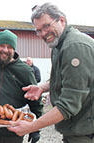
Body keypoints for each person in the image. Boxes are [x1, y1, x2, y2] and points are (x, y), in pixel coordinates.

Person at [8, 2, 94, 143]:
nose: (43, 33)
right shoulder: (57, 45)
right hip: (74, 132)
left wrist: (31, 127)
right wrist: (41, 88)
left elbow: (68, 105)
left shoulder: (75, 47)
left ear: (61, 20)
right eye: (39, 30)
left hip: (87, 135)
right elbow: (61, 78)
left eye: (46, 26)